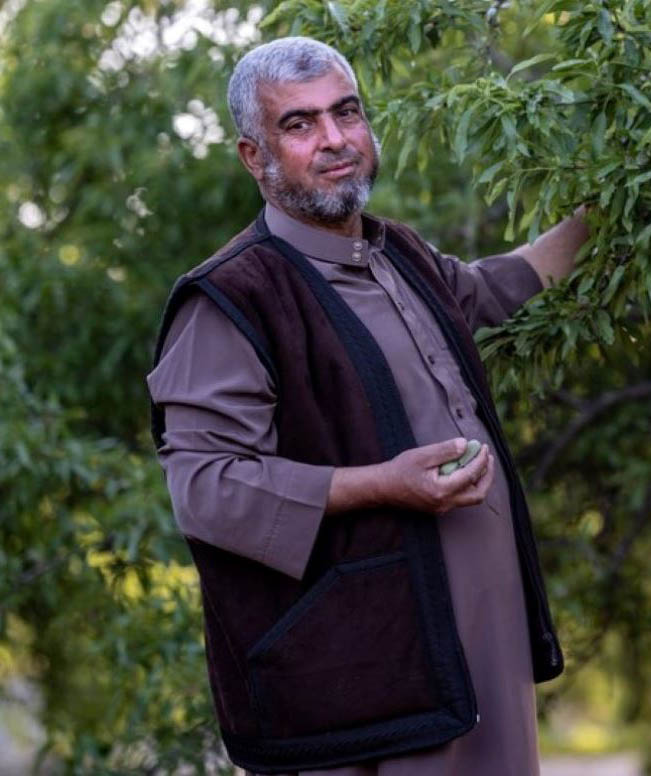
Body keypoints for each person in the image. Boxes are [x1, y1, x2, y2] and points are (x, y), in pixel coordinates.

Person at [146, 36, 588, 776]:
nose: (333, 140)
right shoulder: (232, 298)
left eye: (345, 113)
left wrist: (610, 210)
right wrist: (383, 484)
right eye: (299, 124)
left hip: (477, 652)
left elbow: (492, 288)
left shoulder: (397, 255)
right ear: (254, 157)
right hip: (366, 683)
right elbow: (206, 492)